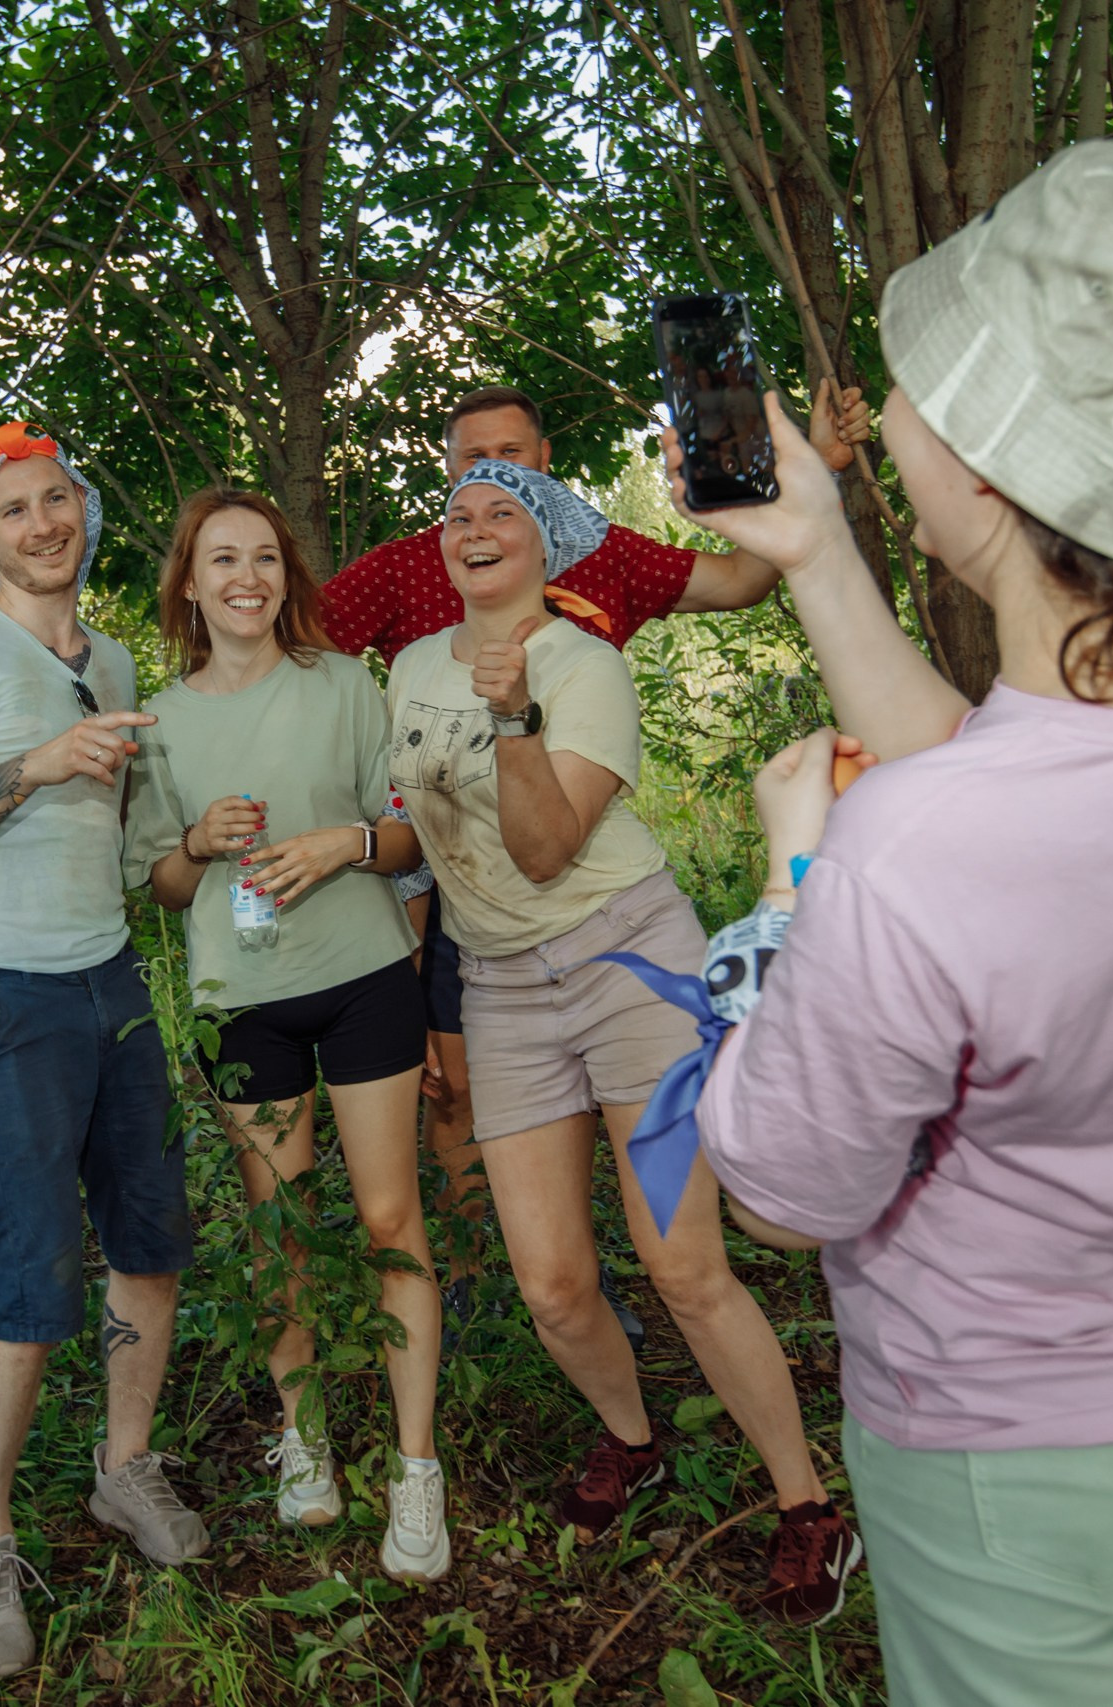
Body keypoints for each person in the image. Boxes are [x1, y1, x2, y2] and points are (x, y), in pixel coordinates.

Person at [681, 138, 1113, 1706]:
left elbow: (787, 1191)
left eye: (914, 384)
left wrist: (793, 889)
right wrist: (814, 553)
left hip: (1039, 1476)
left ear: (984, 463)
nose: (887, 407)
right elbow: (1014, 800)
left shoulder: (916, 849)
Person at [383, 457, 858, 1620]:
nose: (475, 526)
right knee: (551, 1285)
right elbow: (420, 835)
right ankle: (631, 1439)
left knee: (684, 1266)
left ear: (545, 545)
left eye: (504, 513)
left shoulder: (583, 665)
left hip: (625, 959)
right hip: (497, 986)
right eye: (458, 513)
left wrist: (511, 718)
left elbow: (544, 849)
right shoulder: (401, 669)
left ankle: (808, 1507)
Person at [321, 383, 870, 1340]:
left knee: (639, 1136)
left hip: (582, 869)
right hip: (445, 872)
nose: (488, 483)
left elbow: (741, 580)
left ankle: (645, 1274)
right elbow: (302, 658)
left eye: (514, 459)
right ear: (444, 475)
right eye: (466, 463)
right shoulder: (411, 566)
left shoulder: (603, 554)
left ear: (547, 464)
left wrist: (812, 468)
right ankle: (493, 1291)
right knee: (450, 1091)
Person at [0, 420, 207, 1682]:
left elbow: (124, 842)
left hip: (106, 980)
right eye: (15, 508)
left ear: (83, 508)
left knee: (151, 1239)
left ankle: (124, 1472)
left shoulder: (115, 653)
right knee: (31, 1273)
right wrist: (36, 763)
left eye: (58, 498)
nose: (44, 523)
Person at [122, 488, 451, 1582]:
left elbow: (406, 839)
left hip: (361, 976)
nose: (246, 578)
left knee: (388, 1214)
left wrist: (343, 846)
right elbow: (164, 888)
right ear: (189, 583)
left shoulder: (344, 684)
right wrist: (195, 842)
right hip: (242, 996)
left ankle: (415, 1472)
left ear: (285, 576)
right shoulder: (162, 721)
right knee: (281, 1230)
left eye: (264, 558)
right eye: (222, 560)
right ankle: (306, 1443)